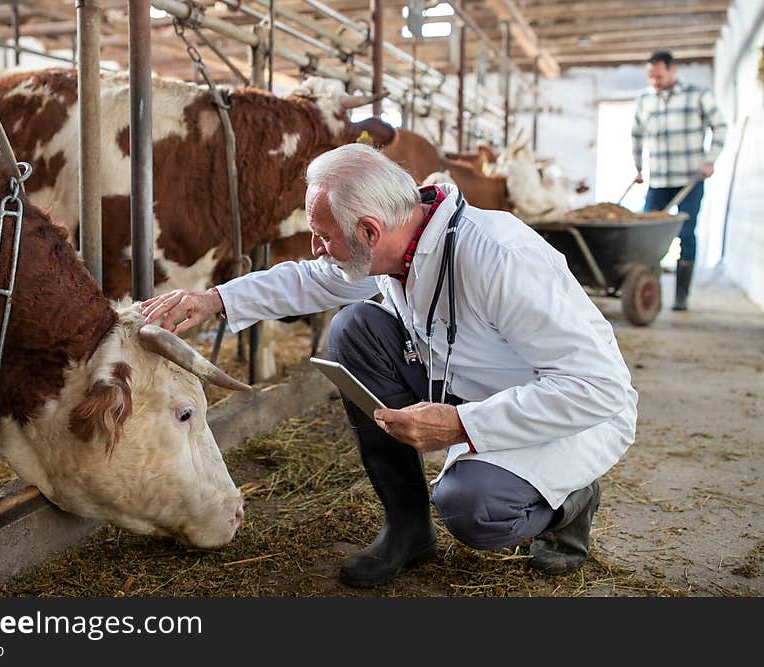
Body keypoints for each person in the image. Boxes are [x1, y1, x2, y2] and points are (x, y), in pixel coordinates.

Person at [142, 143, 638, 588]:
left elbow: (598, 387)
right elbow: (313, 280)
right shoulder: (399, 240)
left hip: (565, 414)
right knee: (354, 330)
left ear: (369, 230)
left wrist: (462, 423)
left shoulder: (500, 257)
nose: (316, 248)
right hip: (469, 385)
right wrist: (214, 300)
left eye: (322, 235)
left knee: (474, 508)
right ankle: (408, 530)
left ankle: (570, 504)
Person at [632, 50, 728, 311]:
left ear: (673, 70)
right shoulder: (644, 100)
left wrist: (710, 160)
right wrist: (638, 167)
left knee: (686, 233)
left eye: (659, 76)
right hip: (659, 180)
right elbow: (636, 134)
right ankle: (647, 292)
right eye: (651, 77)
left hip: (690, 179)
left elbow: (720, 126)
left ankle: (681, 296)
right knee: (646, 234)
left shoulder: (697, 95)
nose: (655, 82)